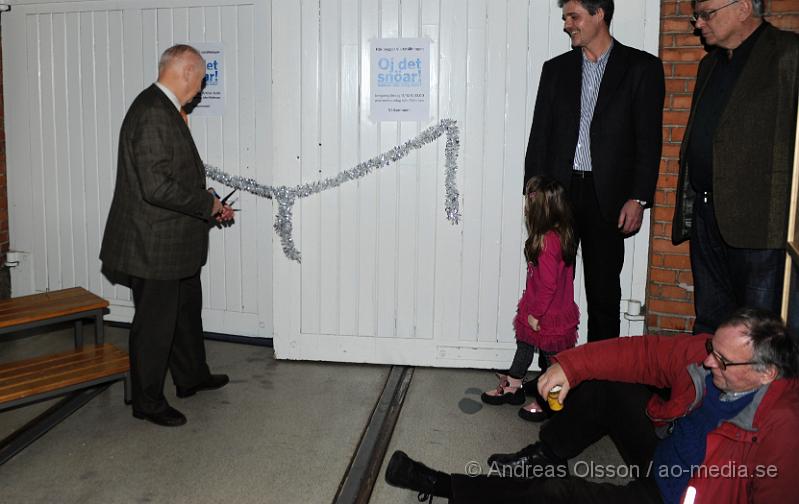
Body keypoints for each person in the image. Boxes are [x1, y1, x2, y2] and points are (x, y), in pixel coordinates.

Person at [385, 308, 799, 503]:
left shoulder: (783, 428)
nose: (708, 361)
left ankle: (441, 484)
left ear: (766, 374)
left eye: (722, 361)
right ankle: (548, 453)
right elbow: (644, 353)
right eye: (712, 349)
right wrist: (570, 366)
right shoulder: (708, 358)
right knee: (606, 386)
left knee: (557, 495)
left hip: (671, 496)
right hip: (665, 452)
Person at [100, 44, 235, 427]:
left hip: (176, 242)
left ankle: (192, 376)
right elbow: (156, 187)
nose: (202, 87)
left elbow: (172, 177)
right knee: (155, 326)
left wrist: (205, 200)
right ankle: (147, 401)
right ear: (187, 71)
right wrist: (206, 206)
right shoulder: (153, 112)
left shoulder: (165, 110)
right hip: (153, 244)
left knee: (185, 310)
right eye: (202, 79)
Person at [524, 0, 665, 342]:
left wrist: (639, 198)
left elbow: (649, 140)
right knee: (549, 286)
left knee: (603, 293)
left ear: (599, 14)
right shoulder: (555, 69)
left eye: (574, 16)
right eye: (565, 17)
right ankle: (553, 373)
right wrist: (533, 191)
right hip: (559, 195)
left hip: (610, 197)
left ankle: (601, 380)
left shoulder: (641, 68)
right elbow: (540, 133)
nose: (567, 24)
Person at [671, 0, 799, 335]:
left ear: (743, 8)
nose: (699, 23)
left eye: (707, 14)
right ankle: (708, 389)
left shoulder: (789, 54)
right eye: (696, 16)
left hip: (760, 224)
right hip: (706, 213)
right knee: (711, 320)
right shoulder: (709, 64)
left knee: (757, 332)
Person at [481, 176, 579, 421]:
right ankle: (514, 383)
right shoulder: (559, 234)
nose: (526, 209)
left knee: (551, 359)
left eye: (529, 205)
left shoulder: (548, 242)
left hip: (546, 312)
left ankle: (552, 401)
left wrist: (536, 313)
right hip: (540, 306)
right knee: (524, 345)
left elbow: (548, 285)